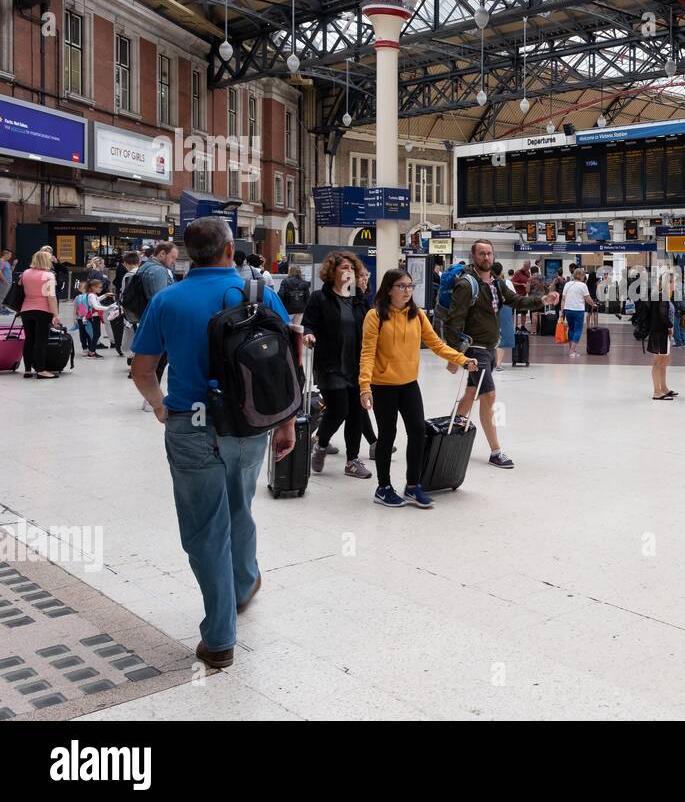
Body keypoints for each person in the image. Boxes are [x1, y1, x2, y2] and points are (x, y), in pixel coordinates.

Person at [129, 216, 296, 670]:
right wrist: (287, 423)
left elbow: (142, 370)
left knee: (206, 529)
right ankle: (244, 584)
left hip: (192, 426)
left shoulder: (167, 300)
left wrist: (161, 406)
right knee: (240, 504)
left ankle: (220, 636)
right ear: (229, 251)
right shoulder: (258, 293)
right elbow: (285, 362)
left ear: (186, 254)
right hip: (248, 426)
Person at [358, 269, 475, 508]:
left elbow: (436, 344)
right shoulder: (375, 316)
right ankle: (383, 487)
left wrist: (461, 359)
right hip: (383, 386)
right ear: (389, 289)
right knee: (387, 436)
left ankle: (412, 486)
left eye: (410, 286)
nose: (407, 291)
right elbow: (368, 352)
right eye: (401, 286)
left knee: (417, 432)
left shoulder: (418, 315)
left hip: (409, 384)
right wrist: (364, 386)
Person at [444, 239, 556, 467]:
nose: (486, 258)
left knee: (471, 392)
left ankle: (449, 434)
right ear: (474, 257)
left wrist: (543, 299)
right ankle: (496, 451)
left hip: (490, 347)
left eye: (489, 253)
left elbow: (516, 301)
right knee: (489, 396)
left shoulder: (496, 283)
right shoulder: (467, 285)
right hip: (475, 350)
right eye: (482, 254)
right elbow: (453, 322)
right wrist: (455, 355)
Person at [302, 252, 373, 481]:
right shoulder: (319, 298)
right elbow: (308, 324)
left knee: (356, 412)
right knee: (339, 409)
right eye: (343, 268)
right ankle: (321, 445)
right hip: (329, 364)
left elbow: (370, 326)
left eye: (351, 268)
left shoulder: (358, 299)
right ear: (332, 272)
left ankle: (352, 460)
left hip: (356, 364)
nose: (348, 272)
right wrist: (309, 335)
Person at [134, 241, 178, 403]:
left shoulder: (145, 266)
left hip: (146, 318)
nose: (174, 261)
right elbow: (161, 299)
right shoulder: (159, 271)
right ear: (162, 254)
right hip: (159, 323)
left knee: (153, 361)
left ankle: (150, 398)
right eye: (172, 257)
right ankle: (153, 399)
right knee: (159, 362)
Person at [18, 250, 62, 379]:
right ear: (46, 261)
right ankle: (41, 370)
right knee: (40, 341)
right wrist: (55, 314)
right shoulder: (48, 276)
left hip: (26, 309)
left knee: (29, 340)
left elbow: (20, 287)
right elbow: (51, 297)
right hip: (42, 311)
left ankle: (27, 370)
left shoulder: (25, 273)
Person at [645, 271, 675, 399]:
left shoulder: (663, 295)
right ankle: (657, 391)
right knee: (658, 362)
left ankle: (663, 387)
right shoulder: (662, 296)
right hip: (659, 332)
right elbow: (663, 316)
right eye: (674, 282)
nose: (675, 285)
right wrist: (670, 326)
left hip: (660, 332)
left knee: (664, 361)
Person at [561, 266, 596, 358]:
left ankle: (571, 349)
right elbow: (588, 298)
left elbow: (563, 299)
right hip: (578, 310)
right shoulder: (583, 285)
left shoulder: (567, 284)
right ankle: (572, 351)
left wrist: (562, 312)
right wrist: (593, 304)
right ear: (582, 276)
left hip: (568, 309)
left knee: (571, 329)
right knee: (578, 330)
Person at [74, 278, 109, 358]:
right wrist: (108, 308)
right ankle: (91, 352)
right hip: (93, 317)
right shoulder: (91, 295)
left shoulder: (92, 295)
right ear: (93, 287)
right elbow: (96, 306)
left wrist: (105, 295)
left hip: (93, 317)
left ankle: (91, 351)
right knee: (95, 334)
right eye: (99, 287)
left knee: (95, 334)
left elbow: (97, 300)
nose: (101, 289)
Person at [493, 262, 514, 367]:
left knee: (491, 335)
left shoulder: (487, 282)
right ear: (501, 271)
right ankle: (498, 363)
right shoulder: (507, 283)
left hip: (491, 310)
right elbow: (513, 297)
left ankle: (489, 361)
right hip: (505, 309)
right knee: (503, 337)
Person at [0, 249, 13, 315]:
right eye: (10, 255)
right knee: (2, 297)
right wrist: (4, 281)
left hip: (8, 283)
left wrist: (14, 264)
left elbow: (10, 271)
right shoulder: (1, 261)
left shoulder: (6, 262)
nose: (10, 256)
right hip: (3, 283)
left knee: (5, 297)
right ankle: (1, 310)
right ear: (5, 254)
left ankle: (4, 309)